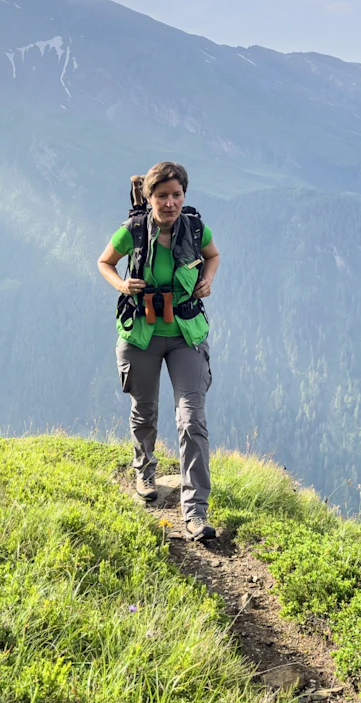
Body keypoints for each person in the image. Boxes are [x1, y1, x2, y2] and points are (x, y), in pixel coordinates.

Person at [96, 161, 221, 542]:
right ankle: (144, 470)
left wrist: (207, 281)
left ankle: (195, 512)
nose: (170, 203)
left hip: (185, 333)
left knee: (192, 419)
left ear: (184, 195)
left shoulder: (195, 228)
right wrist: (122, 285)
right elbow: (104, 262)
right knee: (144, 409)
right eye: (162, 196)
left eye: (176, 195)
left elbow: (213, 256)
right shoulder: (133, 231)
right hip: (142, 334)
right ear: (149, 198)